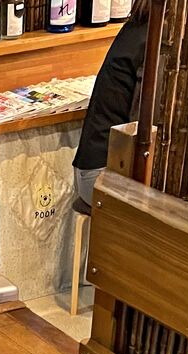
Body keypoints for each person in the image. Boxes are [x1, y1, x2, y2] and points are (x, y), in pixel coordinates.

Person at [72, 0, 151, 212]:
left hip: (110, 166)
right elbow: (143, 128)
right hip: (103, 172)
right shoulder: (152, 39)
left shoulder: (142, 26)